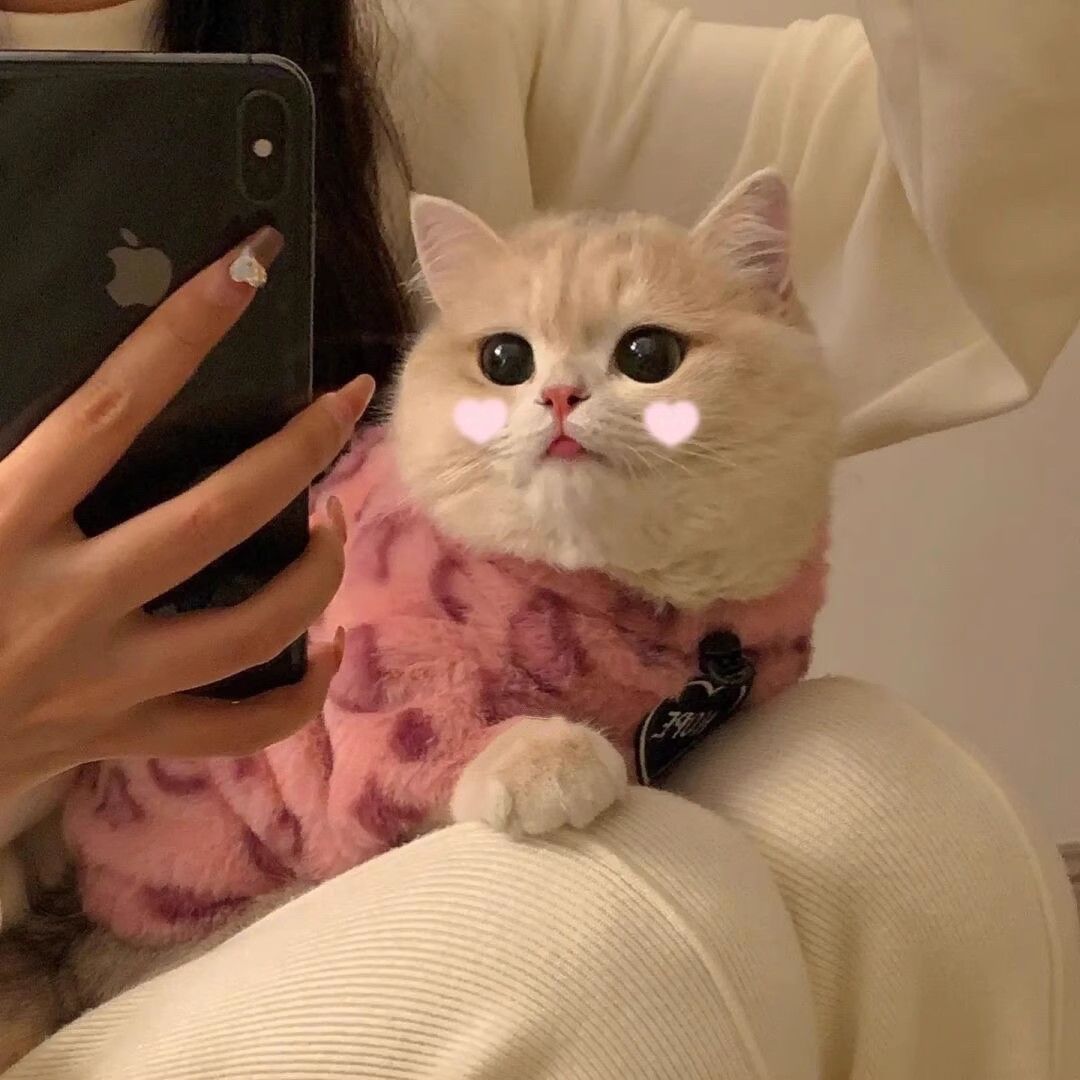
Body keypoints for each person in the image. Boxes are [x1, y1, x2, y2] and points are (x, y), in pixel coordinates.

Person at [1, 0, 1078, 1077]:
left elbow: (974, 168)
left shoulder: (422, 33)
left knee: (895, 819)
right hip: (81, 940)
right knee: (591, 933)